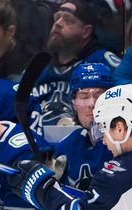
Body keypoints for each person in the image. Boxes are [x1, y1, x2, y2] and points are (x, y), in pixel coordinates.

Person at [30, 0, 121, 130]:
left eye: (67, 20)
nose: (58, 24)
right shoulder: (40, 66)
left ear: (86, 31)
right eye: (57, 18)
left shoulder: (102, 62)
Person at [50, 63, 114, 190]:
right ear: (73, 104)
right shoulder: (69, 145)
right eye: (84, 96)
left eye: (99, 95)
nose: (92, 103)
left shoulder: (126, 142)